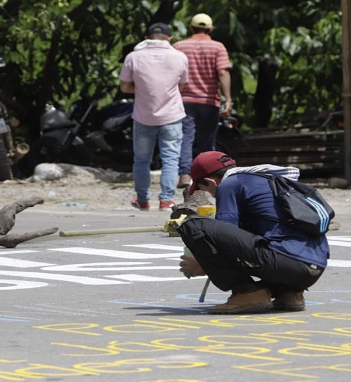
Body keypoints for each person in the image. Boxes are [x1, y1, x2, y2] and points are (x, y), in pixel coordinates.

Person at [177, 151, 329, 314]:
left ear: (210, 181)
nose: (211, 195)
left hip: (289, 264)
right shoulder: (264, 179)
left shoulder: (229, 185)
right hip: (312, 269)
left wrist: (203, 264)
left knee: (193, 225)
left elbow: (224, 239)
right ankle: (288, 292)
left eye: (205, 190)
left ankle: (246, 292)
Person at [119, 22, 188, 211]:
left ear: (146, 38)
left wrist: (140, 89)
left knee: (141, 160)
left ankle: (142, 200)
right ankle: (166, 200)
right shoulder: (179, 57)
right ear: (169, 38)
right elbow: (181, 86)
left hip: (143, 117)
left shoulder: (133, 57)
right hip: (172, 116)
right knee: (171, 159)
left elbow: (124, 87)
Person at [173, 13, 233, 189]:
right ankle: (208, 175)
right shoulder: (218, 47)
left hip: (184, 100)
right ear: (211, 29)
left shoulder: (179, 46)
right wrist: (228, 99)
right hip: (209, 101)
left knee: (185, 138)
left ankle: (185, 174)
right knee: (207, 140)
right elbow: (223, 72)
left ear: (191, 28)